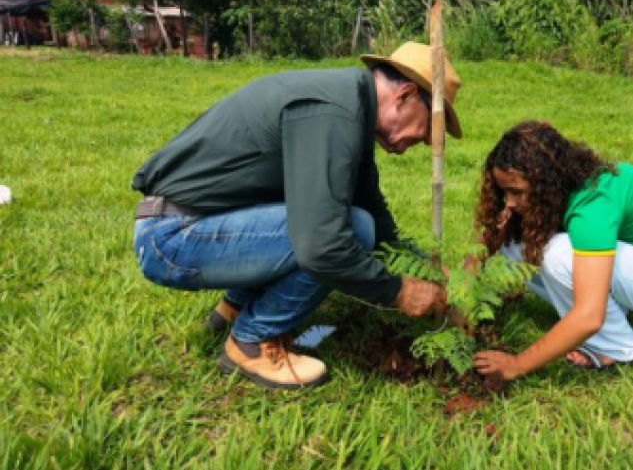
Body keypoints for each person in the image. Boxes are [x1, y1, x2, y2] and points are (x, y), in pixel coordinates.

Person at [131, 42, 462, 390]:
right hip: (171, 236)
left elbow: (375, 215)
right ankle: (251, 341)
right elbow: (322, 246)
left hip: (193, 221)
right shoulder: (333, 113)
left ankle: (236, 305)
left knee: (352, 219)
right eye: (431, 126)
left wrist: (423, 266)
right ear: (406, 95)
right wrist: (397, 291)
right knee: (347, 229)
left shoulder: (348, 106)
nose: (426, 140)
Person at [472, 121, 633, 380]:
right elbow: (492, 236)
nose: (509, 202)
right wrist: (463, 289)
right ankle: (610, 315)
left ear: (545, 182)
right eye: (504, 191)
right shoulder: (564, 186)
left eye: (517, 192)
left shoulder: (593, 205)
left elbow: (590, 316)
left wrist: (516, 364)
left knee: (556, 255)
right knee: (512, 247)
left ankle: (615, 348)